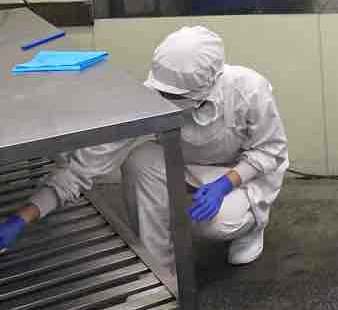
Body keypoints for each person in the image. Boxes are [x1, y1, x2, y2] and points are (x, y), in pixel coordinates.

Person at [0, 26, 288, 272]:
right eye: (162, 91)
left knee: (214, 223)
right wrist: (22, 217)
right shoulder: (151, 95)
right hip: (188, 167)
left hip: (241, 174)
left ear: (209, 85)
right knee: (140, 161)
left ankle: (252, 226)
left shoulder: (249, 89)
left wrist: (225, 184)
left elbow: (270, 150)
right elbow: (83, 168)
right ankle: (160, 267)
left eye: (175, 95)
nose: (164, 98)